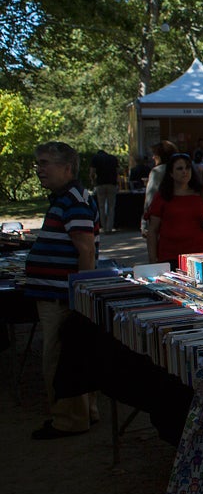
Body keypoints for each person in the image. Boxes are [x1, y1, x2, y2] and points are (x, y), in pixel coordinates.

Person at [25, 141, 101, 439]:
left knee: (59, 360)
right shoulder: (67, 198)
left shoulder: (73, 200)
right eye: (39, 163)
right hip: (60, 295)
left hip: (63, 298)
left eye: (45, 163)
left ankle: (68, 421)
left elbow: (86, 251)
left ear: (67, 168)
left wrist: (82, 295)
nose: (39, 169)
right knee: (72, 356)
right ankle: (83, 414)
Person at [145, 153, 203, 268]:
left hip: (201, 254)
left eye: (187, 167)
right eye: (180, 168)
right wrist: (152, 260)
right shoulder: (162, 197)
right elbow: (152, 230)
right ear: (171, 173)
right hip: (170, 256)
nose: (185, 171)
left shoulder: (202, 193)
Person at [142, 140, 178, 236]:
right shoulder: (184, 169)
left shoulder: (157, 172)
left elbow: (150, 199)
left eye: (155, 154)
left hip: (162, 220)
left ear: (161, 155)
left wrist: (144, 224)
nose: (153, 157)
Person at [89, 148, 120, 233]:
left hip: (100, 184)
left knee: (101, 206)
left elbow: (92, 173)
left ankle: (103, 227)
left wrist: (93, 181)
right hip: (112, 184)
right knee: (111, 206)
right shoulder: (113, 158)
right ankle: (109, 227)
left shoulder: (95, 158)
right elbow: (117, 172)